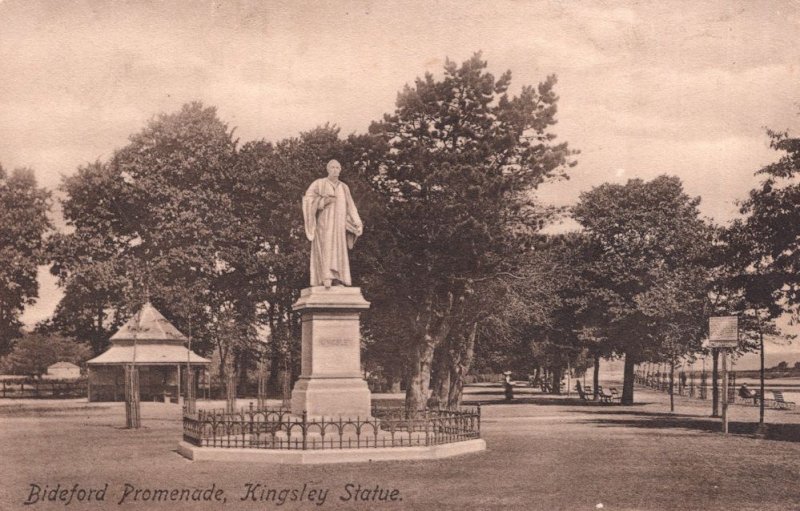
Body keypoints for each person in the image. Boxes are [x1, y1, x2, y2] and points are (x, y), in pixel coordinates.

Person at [302, 160, 363, 288]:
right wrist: (323, 201)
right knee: (325, 248)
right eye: (332, 167)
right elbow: (307, 200)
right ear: (328, 169)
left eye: (337, 167)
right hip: (324, 224)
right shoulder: (319, 184)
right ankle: (325, 277)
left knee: (339, 250)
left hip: (339, 225)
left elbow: (351, 206)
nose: (335, 170)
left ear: (340, 170)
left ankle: (338, 278)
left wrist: (357, 222)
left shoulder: (344, 187)